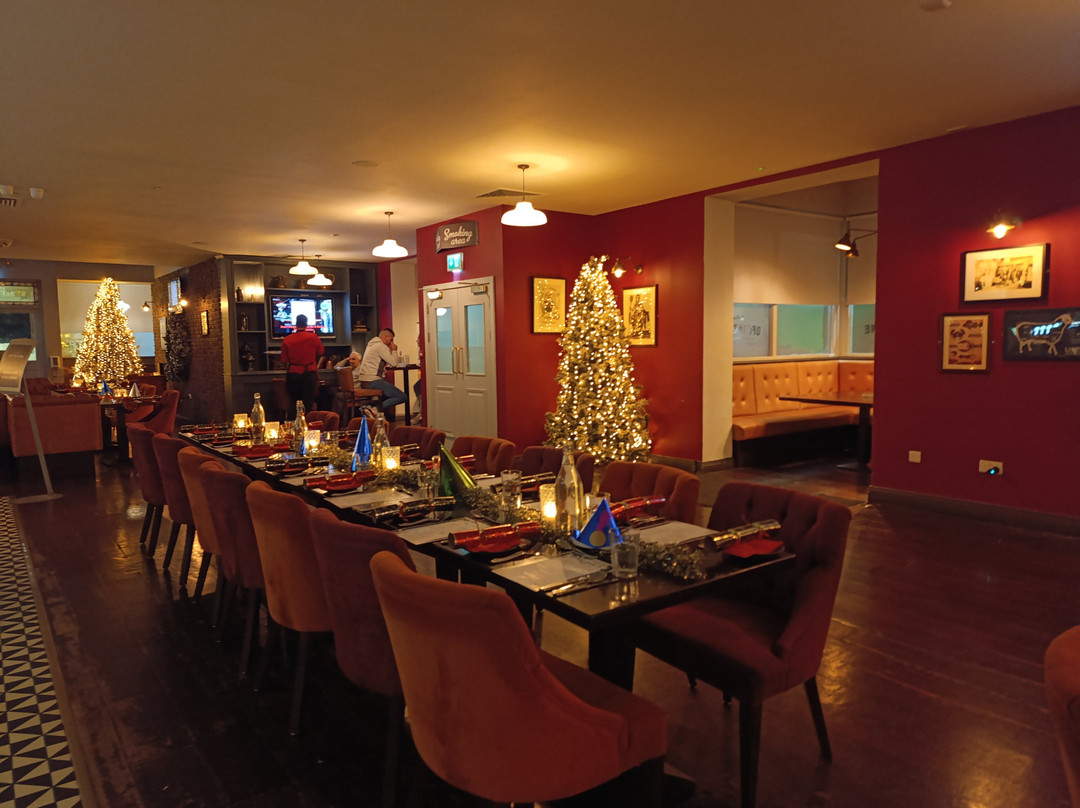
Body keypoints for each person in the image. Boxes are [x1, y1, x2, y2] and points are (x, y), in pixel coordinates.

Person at [279, 313, 323, 417]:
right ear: (306, 324)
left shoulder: (287, 339)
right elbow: (321, 351)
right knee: (308, 403)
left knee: (293, 402)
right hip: (309, 373)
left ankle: (293, 424)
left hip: (293, 374)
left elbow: (284, 359)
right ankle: (307, 423)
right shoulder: (313, 337)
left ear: (296, 324)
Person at [357, 328, 406, 419]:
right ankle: (374, 410)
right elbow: (394, 363)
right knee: (402, 397)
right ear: (385, 337)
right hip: (373, 381)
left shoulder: (371, 345)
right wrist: (394, 350)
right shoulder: (380, 346)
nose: (391, 342)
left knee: (385, 396)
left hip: (364, 381)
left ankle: (371, 410)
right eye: (391, 339)